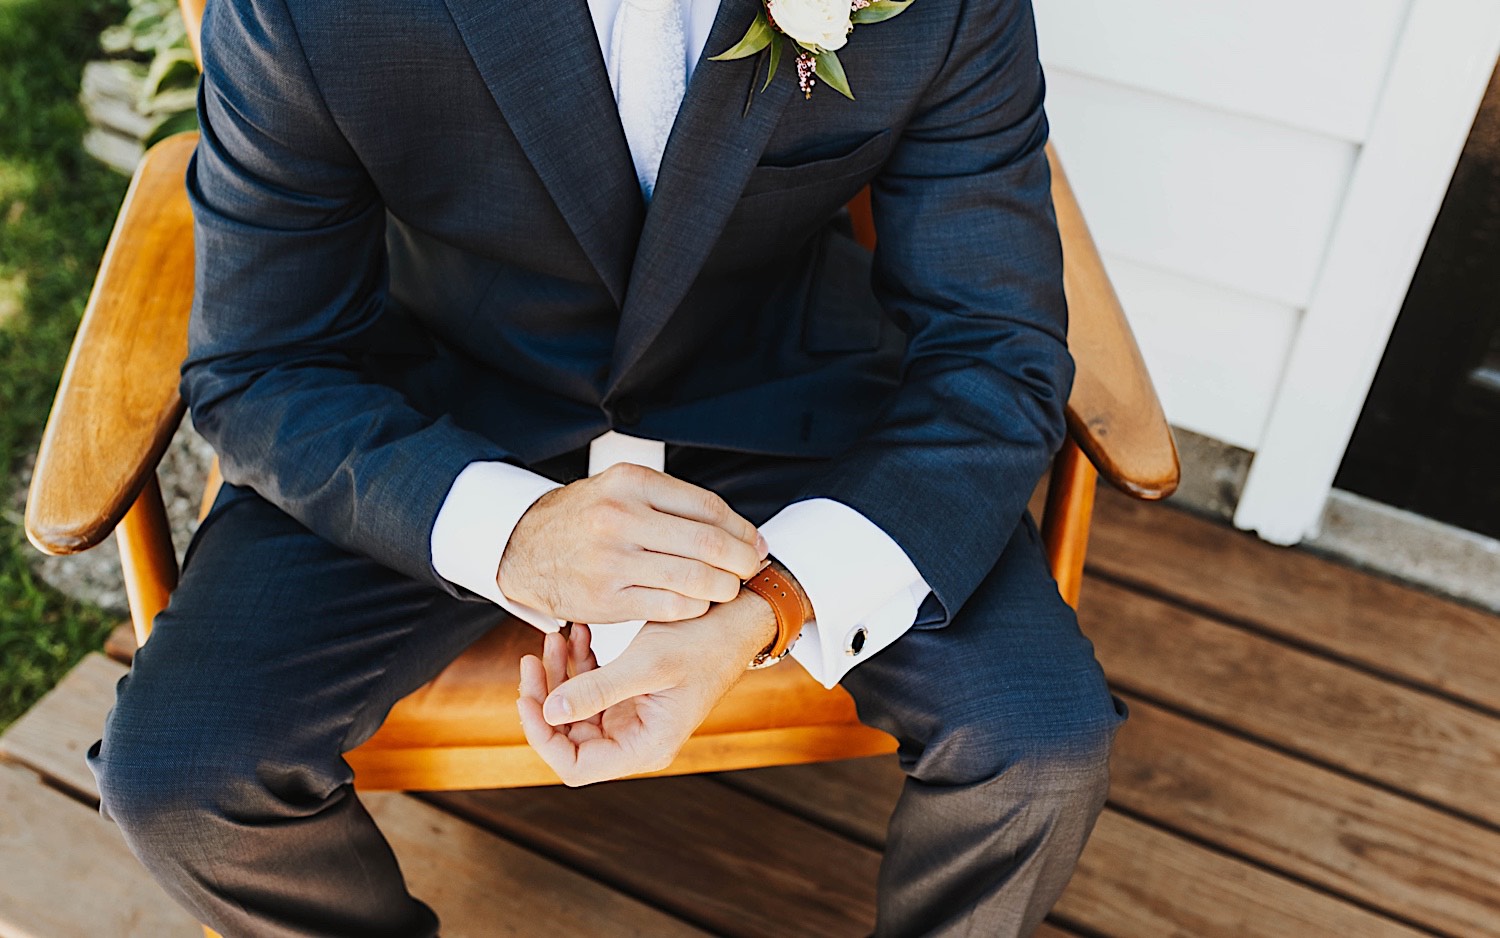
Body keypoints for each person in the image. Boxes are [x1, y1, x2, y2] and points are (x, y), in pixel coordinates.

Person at [86, 0, 1126, 934]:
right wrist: (511, 534)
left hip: (786, 403)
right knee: (183, 773)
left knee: (1038, 744)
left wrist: (775, 599)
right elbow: (264, 361)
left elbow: (994, 344)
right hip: (443, 412)